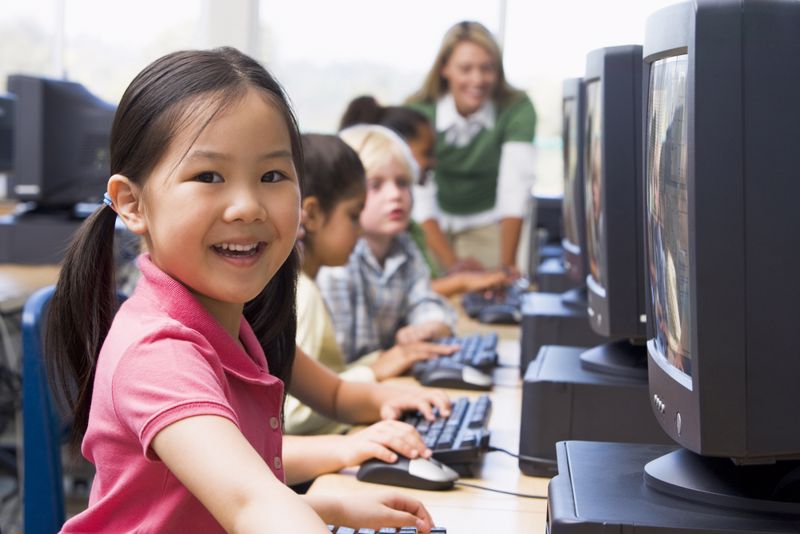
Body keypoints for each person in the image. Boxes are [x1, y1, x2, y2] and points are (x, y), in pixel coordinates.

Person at [45, 47, 436, 534]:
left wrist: (329, 509)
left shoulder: (238, 321)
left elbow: (210, 508)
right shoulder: (159, 354)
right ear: (132, 203)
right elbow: (250, 505)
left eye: (272, 175)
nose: (248, 207)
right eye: (209, 176)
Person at [285, 133, 459, 437]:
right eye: (354, 216)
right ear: (310, 215)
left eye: (403, 183)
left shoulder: (402, 247)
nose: (359, 229)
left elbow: (329, 387)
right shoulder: (306, 293)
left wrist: (390, 384)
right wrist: (376, 370)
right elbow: (294, 416)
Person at [339, 95, 509, 297]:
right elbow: (400, 294)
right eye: (426, 153)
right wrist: (461, 282)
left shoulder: (404, 238)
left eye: (402, 183)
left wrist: (458, 272)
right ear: (396, 147)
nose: (433, 162)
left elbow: (418, 288)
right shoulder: (347, 254)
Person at [316, 124, 458, 366]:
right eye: (376, 185)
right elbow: (337, 360)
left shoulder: (404, 248)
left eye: (402, 182)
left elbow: (423, 299)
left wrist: (429, 326)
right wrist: (389, 357)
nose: (395, 195)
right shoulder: (336, 262)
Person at [406, 20, 538, 275]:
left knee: (490, 293)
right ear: (444, 69)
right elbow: (421, 197)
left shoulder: (517, 108)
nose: (477, 80)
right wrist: (452, 265)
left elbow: (514, 191)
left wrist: (506, 268)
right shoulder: (419, 112)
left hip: (488, 220)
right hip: (433, 221)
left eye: (486, 68)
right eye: (465, 69)